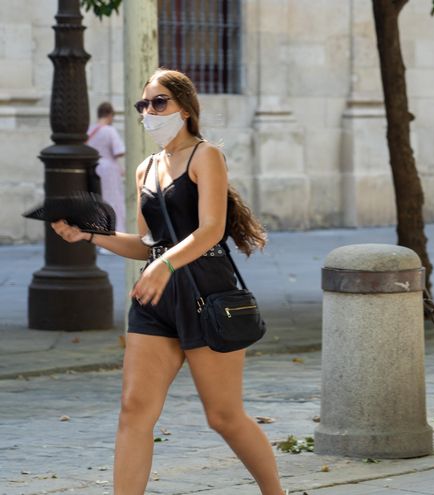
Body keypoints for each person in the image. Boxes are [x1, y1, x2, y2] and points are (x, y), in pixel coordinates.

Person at [51, 69, 284, 495]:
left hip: (204, 289)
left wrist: (164, 265)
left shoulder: (205, 156)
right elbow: (146, 245)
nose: (150, 112)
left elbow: (211, 229)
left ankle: (276, 493)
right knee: (133, 409)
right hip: (155, 299)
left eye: (160, 103)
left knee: (223, 416)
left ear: (186, 108)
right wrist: (88, 233)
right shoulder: (145, 169)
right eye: (144, 105)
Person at [87, 102, 126, 236]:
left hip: (94, 168)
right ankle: (113, 235)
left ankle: (98, 234)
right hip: (109, 170)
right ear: (110, 115)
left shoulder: (90, 130)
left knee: (98, 203)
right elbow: (119, 151)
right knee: (112, 202)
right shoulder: (109, 130)